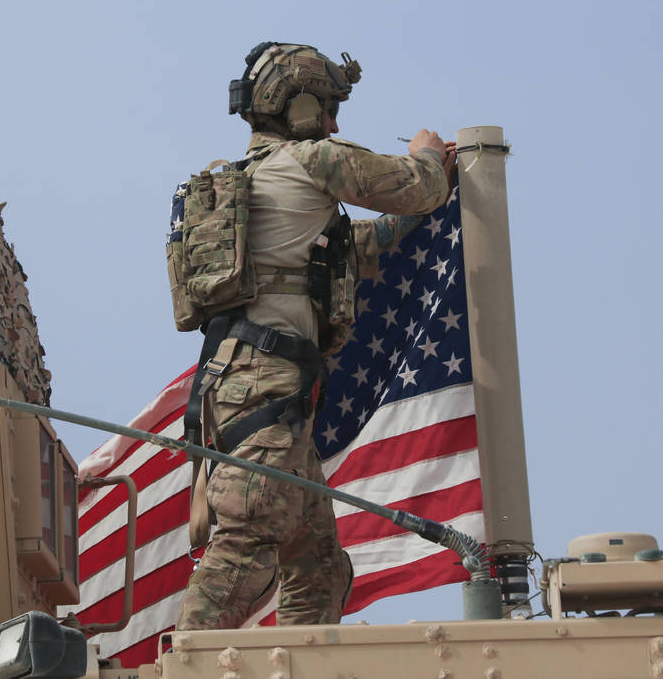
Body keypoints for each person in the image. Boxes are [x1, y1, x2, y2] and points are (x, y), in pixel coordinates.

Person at [176, 42, 457, 630]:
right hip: (264, 380)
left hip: (252, 382)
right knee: (249, 539)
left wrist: (403, 222)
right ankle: (188, 662)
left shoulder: (256, 183)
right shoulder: (312, 159)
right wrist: (429, 158)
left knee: (320, 563)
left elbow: (343, 253)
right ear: (299, 107)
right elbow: (417, 186)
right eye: (328, 107)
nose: (334, 122)